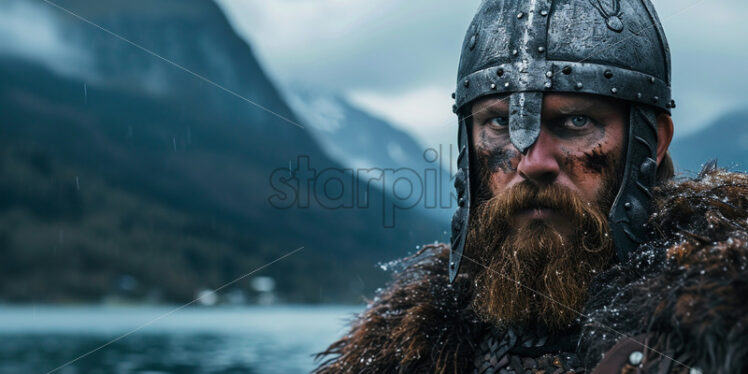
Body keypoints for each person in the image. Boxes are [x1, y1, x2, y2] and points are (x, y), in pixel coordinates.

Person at [315, 1, 748, 373]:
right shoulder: (409, 352)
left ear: (651, 143)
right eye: (500, 123)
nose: (533, 162)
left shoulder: (723, 333)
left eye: (576, 121)